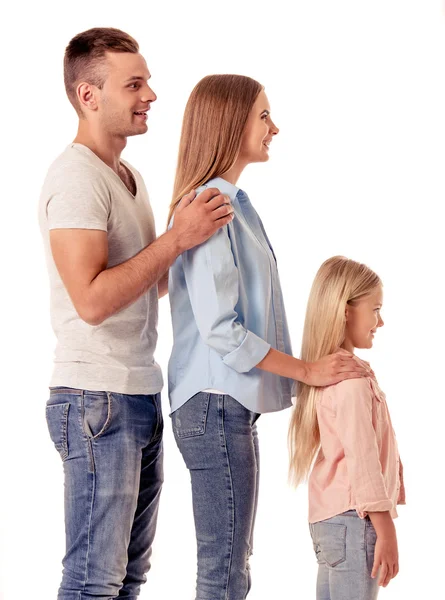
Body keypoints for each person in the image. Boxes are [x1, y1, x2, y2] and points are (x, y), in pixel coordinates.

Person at [38, 28, 233, 600]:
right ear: (88, 96)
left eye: (147, 81)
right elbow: (93, 301)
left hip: (137, 394)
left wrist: (198, 244)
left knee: (127, 579)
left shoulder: (129, 178)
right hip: (95, 398)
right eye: (135, 83)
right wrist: (176, 239)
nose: (150, 94)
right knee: (94, 581)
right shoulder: (75, 177)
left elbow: (150, 281)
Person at [166, 74, 368, 600]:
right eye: (263, 116)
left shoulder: (238, 204)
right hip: (213, 405)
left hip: (228, 407)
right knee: (225, 568)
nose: (274, 127)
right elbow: (222, 332)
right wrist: (307, 371)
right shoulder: (211, 205)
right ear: (231, 123)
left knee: (233, 563)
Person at [289, 256, 406, 600]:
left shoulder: (329, 375)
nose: (380, 321)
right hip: (354, 520)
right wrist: (386, 531)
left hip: (330, 522)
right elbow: (363, 457)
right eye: (375, 309)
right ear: (345, 310)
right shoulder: (352, 379)